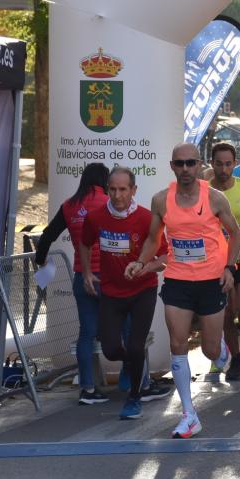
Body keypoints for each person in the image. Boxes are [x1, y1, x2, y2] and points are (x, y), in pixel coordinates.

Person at [131, 143, 240, 439]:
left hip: (210, 280)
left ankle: (221, 350)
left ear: (198, 165)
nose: (185, 169)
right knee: (177, 344)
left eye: (190, 163)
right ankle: (189, 415)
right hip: (178, 279)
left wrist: (229, 268)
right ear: (172, 166)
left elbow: (236, 234)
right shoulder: (161, 200)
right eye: (179, 164)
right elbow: (154, 240)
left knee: (209, 350)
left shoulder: (215, 199)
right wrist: (142, 262)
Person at [80, 167, 171, 420]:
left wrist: (145, 267)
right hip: (111, 291)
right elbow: (85, 243)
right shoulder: (96, 217)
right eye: (113, 189)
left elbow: (165, 256)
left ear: (134, 190)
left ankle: (134, 398)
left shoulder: (145, 218)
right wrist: (87, 272)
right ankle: (131, 363)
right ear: (107, 189)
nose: (118, 195)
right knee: (110, 349)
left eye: (123, 189)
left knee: (135, 344)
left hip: (143, 290)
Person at [35, 162, 110, 405]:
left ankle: (87, 389)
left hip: (82, 276)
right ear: (105, 180)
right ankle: (134, 383)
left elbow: (48, 235)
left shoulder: (69, 205)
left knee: (86, 334)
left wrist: (40, 260)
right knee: (125, 326)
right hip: (109, 277)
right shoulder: (109, 202)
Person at [208, 142, 240, 379]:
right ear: (212, 164)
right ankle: (236, 361)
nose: (224, 169)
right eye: (219, 164)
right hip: (217, 262)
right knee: (227, 314)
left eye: (228, 164)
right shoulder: (205, 192)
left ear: (235, 164)